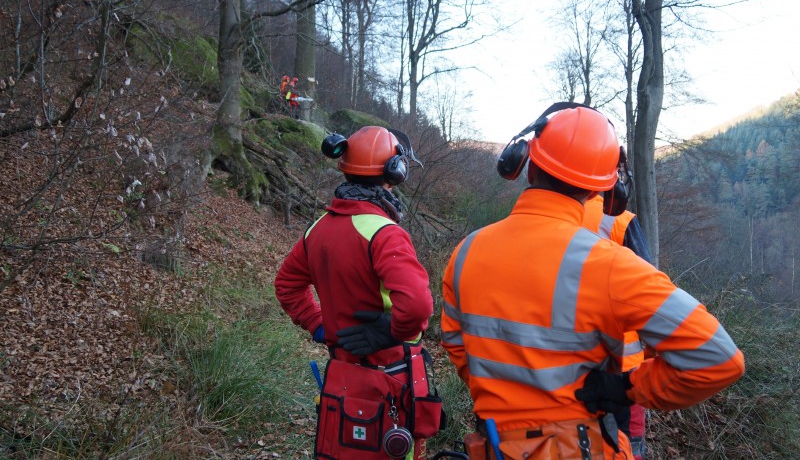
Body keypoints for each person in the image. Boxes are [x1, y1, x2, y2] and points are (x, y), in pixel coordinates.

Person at [440, 103, 745, 459]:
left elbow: (456, 345)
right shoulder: (611, 266)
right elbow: (720, 359)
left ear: (526, 164)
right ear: (603, 191)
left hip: (493, 443)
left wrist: (507, 396)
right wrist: (627, 388)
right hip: (577, 447)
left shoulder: (466, 252)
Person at [274, 126, 440, 459]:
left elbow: (287, 284)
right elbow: (418, 304)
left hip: (342, 375)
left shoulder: (319, 227)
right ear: (394, 173)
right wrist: (393, 331)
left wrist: (320, 326)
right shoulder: (385, 233)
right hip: (391, 378)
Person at [582, 192, 651, 460]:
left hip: (561, 363)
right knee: (626, 445)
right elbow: (648, 293)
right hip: (623, 363)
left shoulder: (546, 220)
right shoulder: (619, 221)